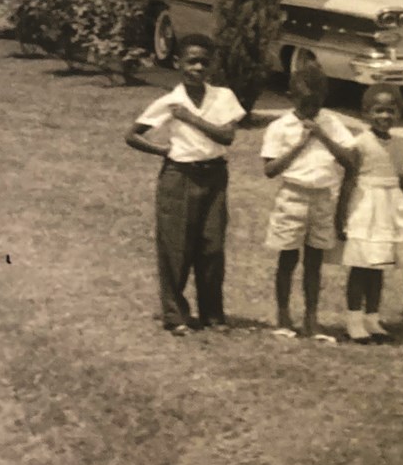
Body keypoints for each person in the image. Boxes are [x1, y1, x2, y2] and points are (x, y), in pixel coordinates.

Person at [125, 34, 247, 335]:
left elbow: (226, 136)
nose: (198, 67)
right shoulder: (169, 102)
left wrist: (189, 118)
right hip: (179, 176)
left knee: (212, 246)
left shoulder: (223, 97)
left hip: (215, 176)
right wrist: (162, 150)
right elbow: (132, 135)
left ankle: (212, 314)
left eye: (204, 62)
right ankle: (175, 315)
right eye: (192, 61)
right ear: (178, 63)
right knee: (175, 245)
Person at [261, 60, 354, 342]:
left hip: (323, 197)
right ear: (292, 97)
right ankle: (283, 316)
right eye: (305, 103)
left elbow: (350, 161)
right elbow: (269, 169)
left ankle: (312, 318)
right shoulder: (281, 127)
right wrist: (300, 143)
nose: (311, 110)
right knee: (287, 257)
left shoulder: (332, 123)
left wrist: (322, 135)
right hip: (293, 196)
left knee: (314, 261)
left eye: (316, 103)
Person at [334, 83, 403, 344]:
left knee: (380, 265)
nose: (385, 116)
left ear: (398, 114)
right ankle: (354, 320)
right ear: (365, 114)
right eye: (378, 111)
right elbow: (348, 181)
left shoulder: (400, 144)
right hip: (365, 207)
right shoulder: (359, 144)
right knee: (361, 266)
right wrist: (340, 216)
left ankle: (372, 318)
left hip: (390, 209)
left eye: (390, 111)